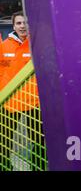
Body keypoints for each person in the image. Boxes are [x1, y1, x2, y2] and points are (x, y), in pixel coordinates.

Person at [0, 11, 44, 171]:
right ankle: (5, 166)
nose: (22, 26)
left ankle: (37, 166)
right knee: (4, 140)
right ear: (13, 26)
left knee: (39, 139)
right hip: (10, 101)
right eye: (19, 23)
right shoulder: (3, 46)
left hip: (34, 101)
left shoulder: (37, 46)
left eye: (25, 22)